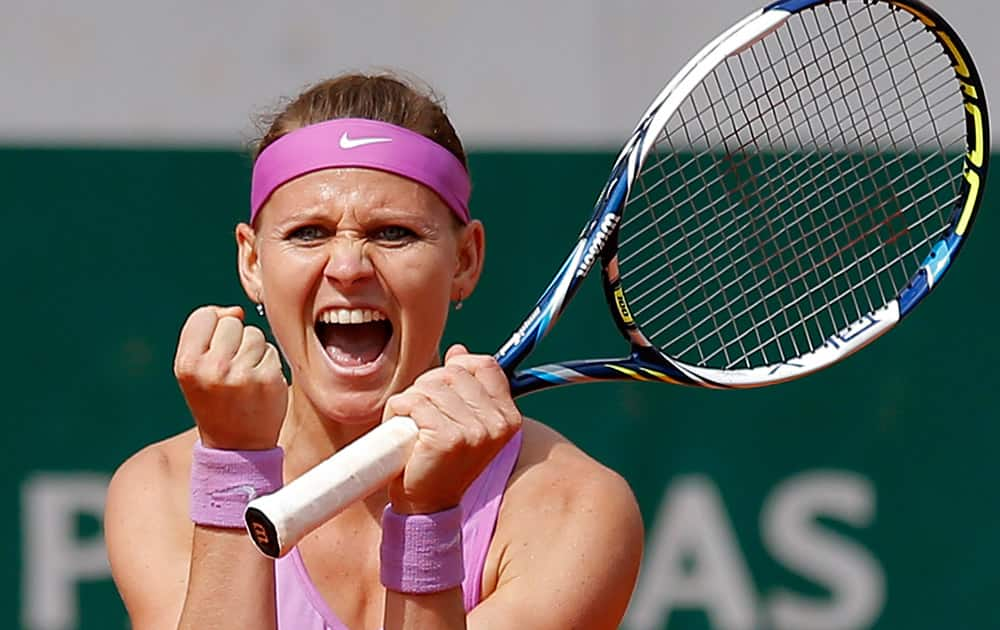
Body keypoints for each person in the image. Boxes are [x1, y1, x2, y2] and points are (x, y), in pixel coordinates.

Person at [104, 72, 644, 630]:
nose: (347, 267)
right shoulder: (158, 489)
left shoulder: (575, 507)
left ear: (464, 261)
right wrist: (233, 471)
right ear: (252, 262)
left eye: (393, 234)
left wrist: (427, 518)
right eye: (308, 233)